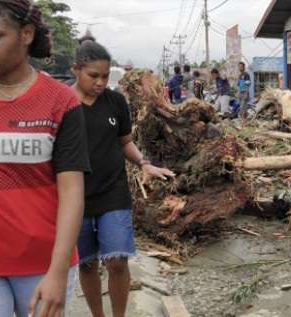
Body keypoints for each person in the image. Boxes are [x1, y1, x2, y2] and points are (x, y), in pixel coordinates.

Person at [0, 1, 91, 316]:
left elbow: (72, 191)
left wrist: (58, 272)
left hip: (43, 263)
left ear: (26, 34)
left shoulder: (60, 102)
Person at [71, 36, 175, 317]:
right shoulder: (63, 104)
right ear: (75, 70)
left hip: (113, 192)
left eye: (105, 76)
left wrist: (144, 162)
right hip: (75, 198)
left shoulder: (115, 102)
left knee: (117, 261)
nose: (101, 82)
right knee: (87, 264)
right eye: (93, 76)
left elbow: (124, 141)